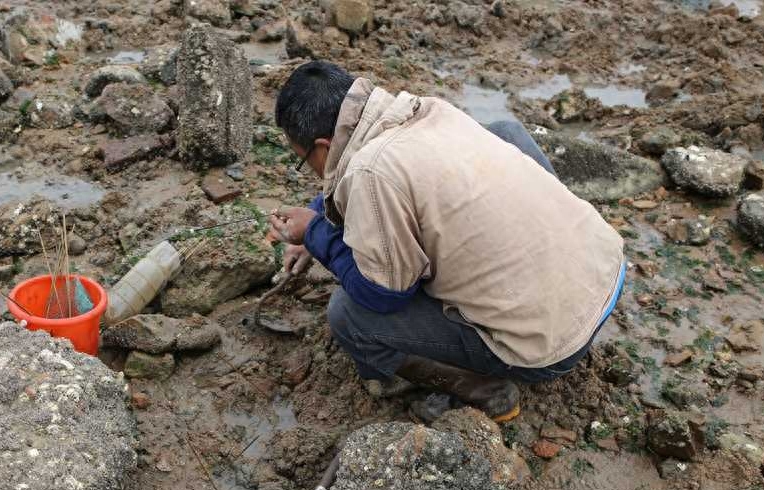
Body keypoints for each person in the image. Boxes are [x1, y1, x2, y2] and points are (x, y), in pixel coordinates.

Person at [267, 61, 626, 422]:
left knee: (349, 314)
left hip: (550, 351)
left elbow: (382, 295)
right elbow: (362, 171)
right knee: (504, 132)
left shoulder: (370, 173)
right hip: (604, 277)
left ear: (322, 145)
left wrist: (315, 234)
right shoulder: (428, 110)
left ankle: (485, 390)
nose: (309, 170)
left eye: (303, 161)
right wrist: (323, 215)